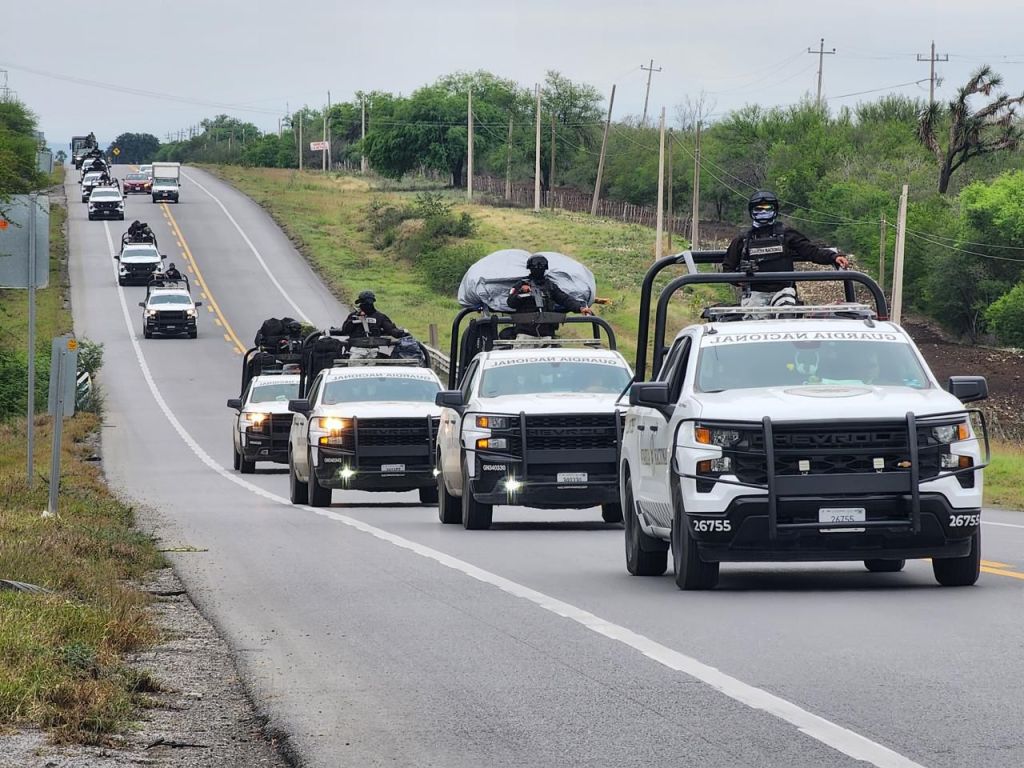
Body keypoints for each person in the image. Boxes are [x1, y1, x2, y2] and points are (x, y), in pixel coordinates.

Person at [723, 190, 850, 308]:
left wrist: (833, 257)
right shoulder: (742, 239)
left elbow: (811, 251)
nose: (763, 212)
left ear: (775, 210)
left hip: (784, 291)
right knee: (754, 317)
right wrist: (739, 280)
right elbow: (728, 268)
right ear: (752, 211)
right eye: (758, 209)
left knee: (786, 309)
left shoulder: (786, 234)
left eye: (767, 209)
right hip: (755, 294)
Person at [506, 255, 593, 338]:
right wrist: (521, 292)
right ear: (530, 268)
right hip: (525, 333)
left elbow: (565, 299)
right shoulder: (521, 284)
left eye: (541, 267)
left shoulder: (550, 286)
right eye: (535, 267)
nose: (538, 269)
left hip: (546, 333)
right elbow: (510, 303)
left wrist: (580, 308)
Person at [341, 291, 404, 358]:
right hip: (355, 350)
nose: (367, 304)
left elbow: (391, 330)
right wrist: (354, 320)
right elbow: (345, 330)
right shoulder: (353, 316)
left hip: (373, 351)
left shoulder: (379, 316)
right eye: (365, 302)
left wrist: (402, 333)